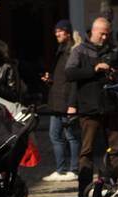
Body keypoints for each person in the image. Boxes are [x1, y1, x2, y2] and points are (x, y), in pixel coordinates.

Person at [65, 16, 118, 197]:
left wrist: (113, 71)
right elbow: (70, 74)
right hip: (89, 108)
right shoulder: (79, 51)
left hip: (111, 107)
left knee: (116, 149)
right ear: (93, 31)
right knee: (87, 152)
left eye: (107, 34)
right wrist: (94, 70)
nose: (104, 37)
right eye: (102, 34)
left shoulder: (115, 51)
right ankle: (84, 191)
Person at [43, 20, 80, 182]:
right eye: (56, 31)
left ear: (68, 32)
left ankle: (74, 169)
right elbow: (62, 78)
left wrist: (72, 104)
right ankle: (60, 170)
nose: (57, 33)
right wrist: (50, 80)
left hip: (66, 101)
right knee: (54, 135)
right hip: (57, 101)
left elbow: (73, 82)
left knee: (70, 135)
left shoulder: (72, 51)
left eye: (60, 31)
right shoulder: (61, 50)